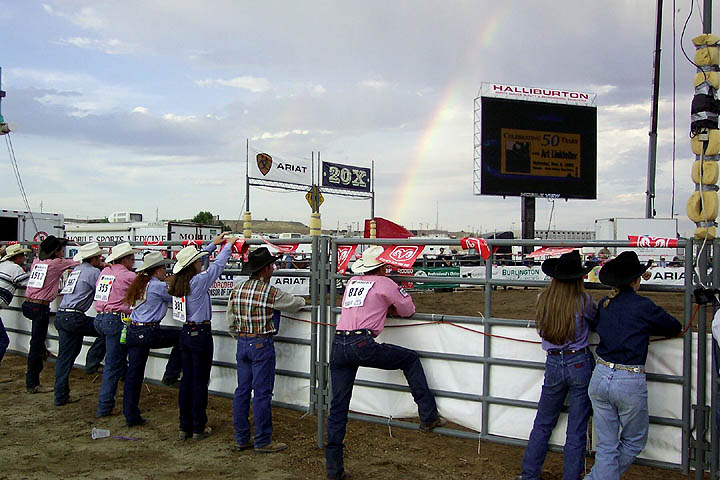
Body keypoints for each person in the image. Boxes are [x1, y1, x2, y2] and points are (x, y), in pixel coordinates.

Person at [325, 245, 445, 480]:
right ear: (382, 267)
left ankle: (333, 468)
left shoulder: (352, 283)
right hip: (362, 343)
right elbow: (408, 309)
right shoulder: (385, 283)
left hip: (339, 343)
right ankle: (428, 415)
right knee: (410, 359)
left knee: (338, 406)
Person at [584, 251, 682, 479]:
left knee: (607, 444)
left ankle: (597, 477)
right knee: (634, 440)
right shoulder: (643, 306)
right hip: (628, 378)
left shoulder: (606, 305)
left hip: (601, 374)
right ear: (635, 280)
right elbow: (673, 326)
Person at [516, 250, 596, 480]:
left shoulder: (544, 299)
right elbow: (596, 319)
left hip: (553, 362)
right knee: (577, 427)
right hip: (579, 361)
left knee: (543, 422)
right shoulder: (584, 301)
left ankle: (529, 474)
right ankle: (571, 476)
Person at [226, 247, 306, 453]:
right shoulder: (270, 292)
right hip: (261, 344)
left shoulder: (238, 289)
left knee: (242, 391)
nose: (273, 268)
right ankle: (262, 440)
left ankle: (241, 437)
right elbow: (295, 303)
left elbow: (230, 321)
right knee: (261, 393)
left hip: (243, 342)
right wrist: (303, 301)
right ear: (265, 269)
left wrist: (241, 336)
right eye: (271, 265)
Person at [168, 232, 235, 440]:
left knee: (187, 380)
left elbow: (201, 263)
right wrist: (227, 246)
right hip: (201, 334)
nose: (200, 262)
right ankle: (198, 426)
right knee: (199, 382)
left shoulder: (178, 282)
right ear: (193, 264)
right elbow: (216, 267)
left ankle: (184, 425)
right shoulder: (198, 282)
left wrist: (211, 246)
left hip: (186, 333)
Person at [122, 251, 181, 427]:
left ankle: (130, 414)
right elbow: (176, 295)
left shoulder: (140, 283)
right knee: (180, 338)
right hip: (148, 331)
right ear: (157, 270)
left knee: (134, 375)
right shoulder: (156, 286)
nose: (165, 271)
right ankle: (171, 375)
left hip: (134, 329)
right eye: (163, 268)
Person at [53, 242, 108, 406]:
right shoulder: (93, 272)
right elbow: (103, 291)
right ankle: (92, 361)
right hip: (75, 316)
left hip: (63, 314)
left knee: (64, 358)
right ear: (96, 258)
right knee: (107, 328)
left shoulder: (76, 270)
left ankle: (60, 395)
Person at [22, 235, 79, 393]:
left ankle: (37, 366)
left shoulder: (37, 261)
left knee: (37, 342)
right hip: (40, 307)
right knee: (36, 344)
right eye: (61, 250)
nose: (62, 253)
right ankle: (32, 382)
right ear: (56, 252)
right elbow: (79, 262)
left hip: (29, 304)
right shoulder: (56, 264)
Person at [93, 241, 139, 417]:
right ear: (126, 259)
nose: (133, 261)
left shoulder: (106, 271)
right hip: (116, 320)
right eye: (132, 258)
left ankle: (92, 362)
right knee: (113, 363)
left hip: (101, 318)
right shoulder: (128, 276)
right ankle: (104, 407)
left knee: (114, 360)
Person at [0, 244, 32, 368]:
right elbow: (28, 283)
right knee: (3, 341)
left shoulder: (2, 265)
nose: (24, 258)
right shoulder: (16, 269)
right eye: (22, 255)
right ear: (17, 257)